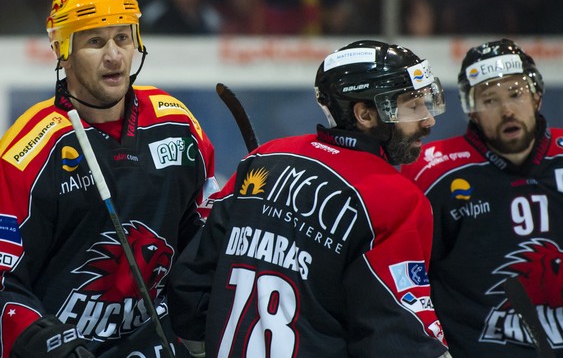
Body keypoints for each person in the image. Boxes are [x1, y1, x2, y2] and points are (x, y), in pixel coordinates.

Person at [168, 40, 451, 357]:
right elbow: (398, 338)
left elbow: (190, 285)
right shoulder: (395, 198)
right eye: (412, 106)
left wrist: (200, 348)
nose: (428, 121)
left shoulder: (265, 158)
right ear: (365, 114)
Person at [0, 0, 218, 358]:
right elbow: (5, 279)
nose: (114, 56)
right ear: (62, 50)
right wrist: (38, 341)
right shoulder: (28, 153)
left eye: (123, 37)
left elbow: (203, 239)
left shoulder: (177, 125)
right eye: (95, 42)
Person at [400, 38, 563, 356]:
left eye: (516, 93)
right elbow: (404, 278)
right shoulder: (431, 173)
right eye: (489, 100)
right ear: (471, 110)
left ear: (537, 96)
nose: (507, 109)